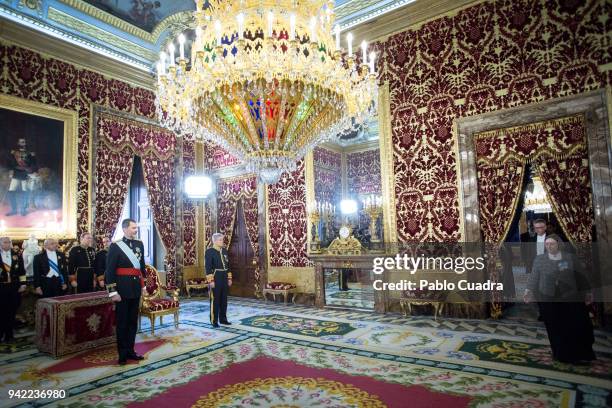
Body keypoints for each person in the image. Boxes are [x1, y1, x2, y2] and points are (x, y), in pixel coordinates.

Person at [523, 234, 595, 364]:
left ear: (559, 244)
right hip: (548, 297)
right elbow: (534, 277)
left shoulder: (570, 258)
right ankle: (560, 354)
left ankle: (578, 353)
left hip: (569, 296)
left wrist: (588, 292)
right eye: (547, 244)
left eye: (552, 244)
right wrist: (528, 290)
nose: (549, 246)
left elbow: (581, 276)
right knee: (554, 326)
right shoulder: (540, 259)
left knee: (574, 325)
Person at [105, 218, 147, 365]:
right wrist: (112, 292)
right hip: (121, 290)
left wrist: (144, 286)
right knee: (122, 323)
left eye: (136, 228)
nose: (136, 230)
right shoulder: (116, 246)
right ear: (125, 229)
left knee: (132, 322)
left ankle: (130, 350)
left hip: (135, 289)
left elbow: (141, 268)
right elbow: (109, 271)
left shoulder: (139, 244)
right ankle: (122, 354)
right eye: (133, 228)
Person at [0, 237, 26, 342]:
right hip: (1, 288)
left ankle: (9, 335)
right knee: (1, 312)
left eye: (9, 242)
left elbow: (22, 271)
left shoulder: (17, 255)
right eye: (5, 242)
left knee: (11, 312)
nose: (7, 244)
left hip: (14, 288)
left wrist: (23, 284)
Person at [205, 233, 232, 328]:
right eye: (220, 240)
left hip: (224, 276)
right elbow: (208, 267)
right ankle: (214, 320)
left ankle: (223, 319)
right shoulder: (209, 252)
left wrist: (229, 278)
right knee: (215, 300)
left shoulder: (224, 251)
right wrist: (211, 281)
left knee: (224, 299)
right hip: (215, 277)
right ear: (215, 241)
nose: (222, 241)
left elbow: (228, 265)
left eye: (222, 240)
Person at [5, 138, 37, 216]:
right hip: (16, 173)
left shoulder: (30, 153)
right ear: (18, 143)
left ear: (25, 143)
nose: (23, 143)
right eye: (21, 142)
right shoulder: (14, 153)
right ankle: (14, 210)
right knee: (11, 191)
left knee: (25, 191)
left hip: (25, 173)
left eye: (24, 142)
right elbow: (11, 163)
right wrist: (11, 170)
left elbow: (33, 163)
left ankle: (23, 210)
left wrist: (31, 170)